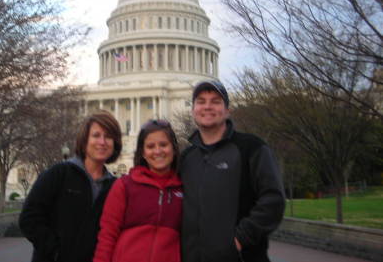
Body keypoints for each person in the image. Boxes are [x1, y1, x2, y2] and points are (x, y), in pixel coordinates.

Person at [179, 80, 285, 262]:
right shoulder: (187, 157)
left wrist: (239, 239)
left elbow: (273, 200)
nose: (207, 107)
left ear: (227, 110)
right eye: (201, 101)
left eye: (215, 101)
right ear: (193, 110)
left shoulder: (251, 148)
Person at [19, 111, 122, 262]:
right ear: (85, 140)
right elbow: (29, 218)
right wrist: (55, 252)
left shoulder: (114, 186)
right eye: (96, 135)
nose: (102, 142)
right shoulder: (59, 174)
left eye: (108, 136)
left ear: (115, 144)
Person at [93, 119, 182, 262]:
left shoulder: (182, 189)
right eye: (151, 146)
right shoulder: (125, 186)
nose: (158, 151)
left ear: (173, 148)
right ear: (143, 153)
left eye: (163, 145)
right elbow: (107, 236)